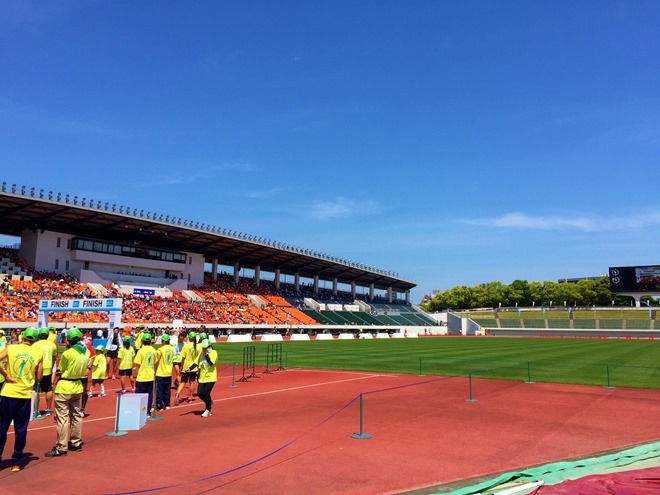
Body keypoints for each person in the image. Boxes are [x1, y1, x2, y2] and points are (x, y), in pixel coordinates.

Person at [0, 327, 44, 471]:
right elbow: (39, 377)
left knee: (2, 428)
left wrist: (6, 375)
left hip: (9, 393)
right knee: (21, 429)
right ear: (35, 340)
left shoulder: (11, 348)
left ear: (22, 337)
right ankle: (17, 462)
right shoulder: (38, 353)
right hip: (25, 395)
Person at [45, 328, 89, 458]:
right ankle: (76, 442)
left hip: (65, 386)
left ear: (68, 340)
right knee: (76, 415)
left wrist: (55, 382)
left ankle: (61, 447)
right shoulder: (85, 352)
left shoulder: (68, 353)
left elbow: (60, 370)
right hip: (77, 385)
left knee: (62, 418)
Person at [33, 327, 59, 416]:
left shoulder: (35, 345)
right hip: (48, 369)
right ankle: (48, 409)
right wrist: (51, 368)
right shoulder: (52, 345)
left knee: (36, 390)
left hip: (38, 369)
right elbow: (54, 358)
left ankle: (35, 411)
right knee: (48, 389)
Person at [133, 333, 157, 413]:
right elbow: (155, 363)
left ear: (142, 341)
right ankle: (147, 411)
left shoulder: (141, 351)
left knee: (139, 395)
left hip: (141, 377)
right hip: (150, 376)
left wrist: (135, 376)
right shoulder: (154, 350)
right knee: (149, 395)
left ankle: (139, 411)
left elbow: (137, 365)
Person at [175, 331, 199, 405]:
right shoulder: (198, 346)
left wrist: (182, 365)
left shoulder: (186, 346)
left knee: (183, 382)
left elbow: (183, 357)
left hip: (186, 367)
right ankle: (190, 397)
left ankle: (177, 394)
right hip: (194, 367)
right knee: (192, 382)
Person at [197, 339, 217, 418]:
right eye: (203, 348)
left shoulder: (214, 353)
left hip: (211, 376)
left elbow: (211, 363)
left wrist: (206, 355)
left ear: (209, 347)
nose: (204, 349)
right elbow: (196, 362)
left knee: (206, 393)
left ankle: (208, 409)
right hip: (202, 377)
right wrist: (189, 368)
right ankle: (209, 402)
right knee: (199, 393)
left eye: (205, 347)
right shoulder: (201, 353)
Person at [154, 334, 174, 411]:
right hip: (168, 371)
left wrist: (155, 369)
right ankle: (167, 403)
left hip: (161, 371)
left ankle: (159, 405)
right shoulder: (172, 349)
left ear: (164, 341)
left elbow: (157, 360)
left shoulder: (160, 349)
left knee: (159, 389)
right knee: (167, 389)